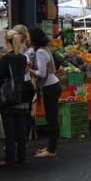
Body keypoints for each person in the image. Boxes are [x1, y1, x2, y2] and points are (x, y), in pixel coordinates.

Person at [27, 28, 62, 158]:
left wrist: (30, 69)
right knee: (51, 117)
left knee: (52, 118)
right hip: (52, 86)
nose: (28, 39)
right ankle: (50, 147)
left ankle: (52, 150)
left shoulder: (41, 51)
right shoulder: (43, 49)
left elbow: (42, 73)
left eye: (29, 36)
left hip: (51, 87)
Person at [0, 30, 28, 166]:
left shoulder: (5, 59)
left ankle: (9, 158)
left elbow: (0, 78)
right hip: (21, 94)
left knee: (9, 129)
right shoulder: (22, 58)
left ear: (7, 42)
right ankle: (21, 156)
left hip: (8, 97)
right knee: (20, 128)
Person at [13, 24, 36, 140]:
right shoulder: (24, 50)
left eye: (16, 33)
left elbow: (27, 68)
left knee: (24, 112)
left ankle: (23, 139)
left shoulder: (27, 51)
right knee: (23, 112)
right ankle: (22, 139)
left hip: (25, 85)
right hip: (25, 84)